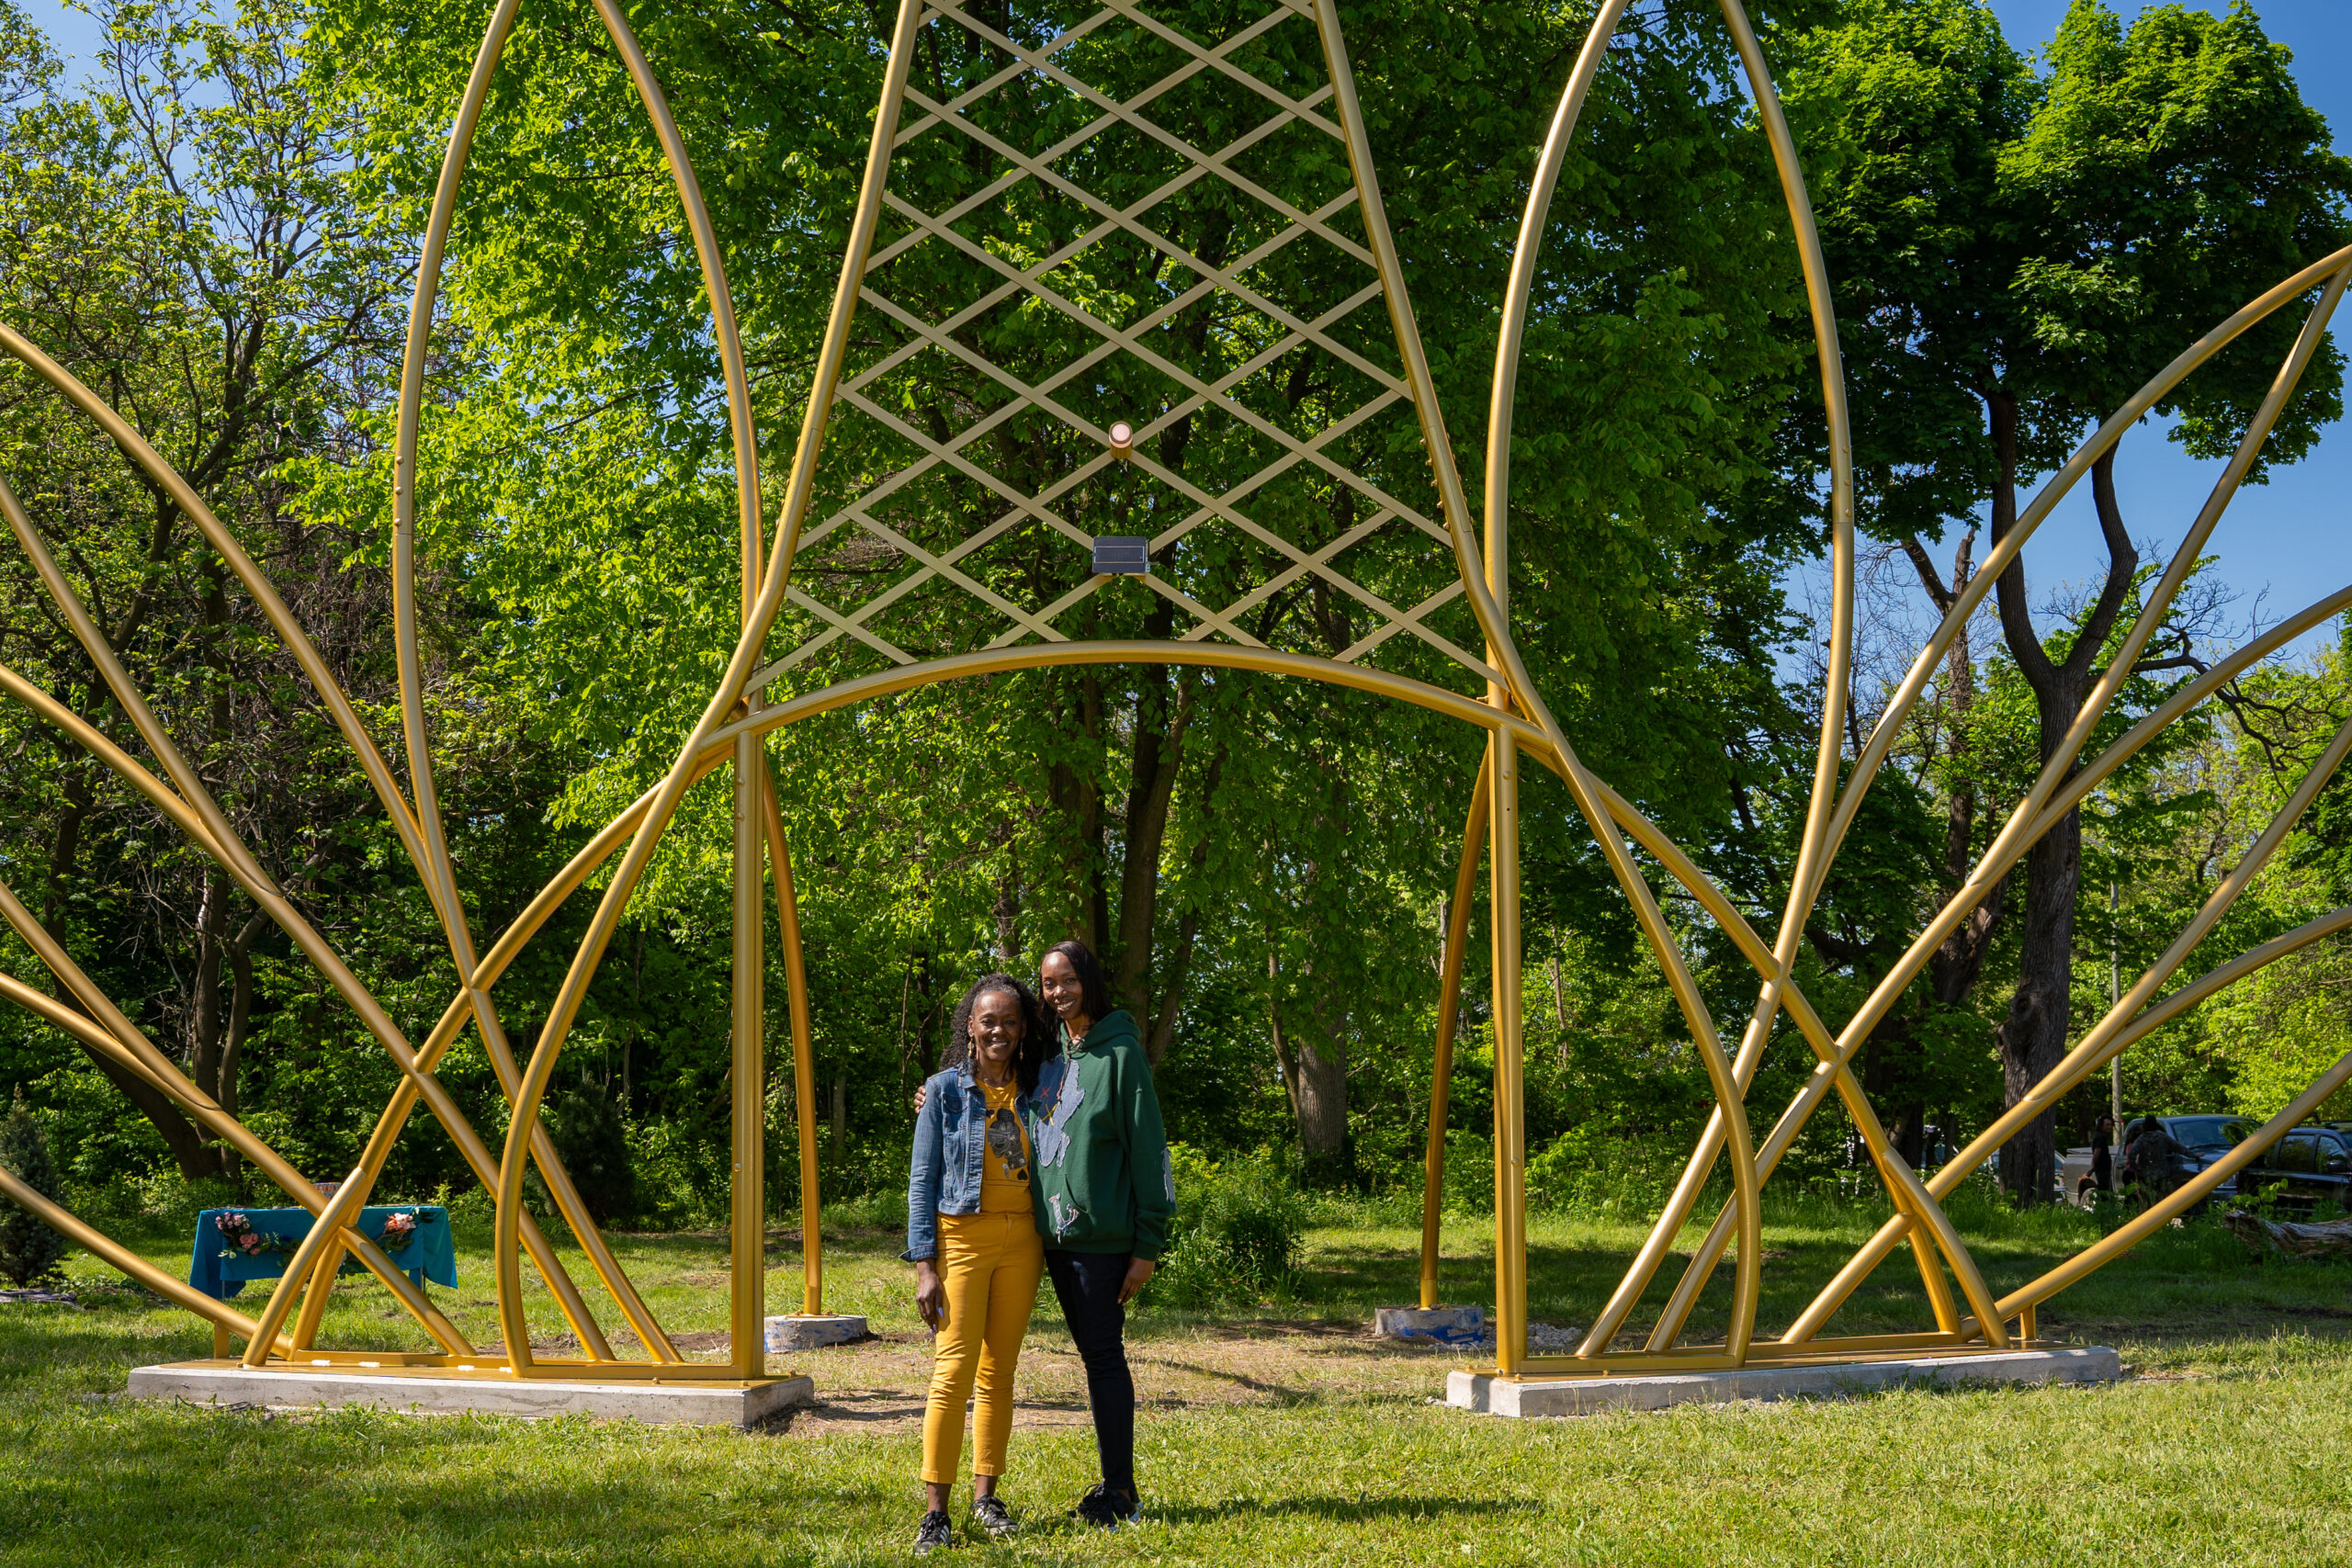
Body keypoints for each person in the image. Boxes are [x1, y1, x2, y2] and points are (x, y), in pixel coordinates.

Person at [903, 974, 1054, 1555]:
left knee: (1000, 1373)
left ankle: (987, 1499)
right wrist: (925, 1265)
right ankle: (936, 1514)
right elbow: (922, 1180)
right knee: (953, 1371)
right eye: (988, 1020)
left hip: (1024, 1243)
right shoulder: (942, 1091)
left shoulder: (1039, 1085)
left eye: (1010, 1021)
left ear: (1022, 1031)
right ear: (970, 1025)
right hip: (962, 1238)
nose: (999, 1030)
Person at [1030, 939, 1173, 1529]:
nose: (1057, 993)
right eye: (1047, 984)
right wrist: (932, 1093)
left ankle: (1122, 1492)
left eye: (1066, 980)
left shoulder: (1121, 1056)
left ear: (1088, 979)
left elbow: (1148, 1151)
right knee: (1094, 1357)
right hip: (1051, 1242)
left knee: (1103, 1359)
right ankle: (1115, 1485)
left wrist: (1148, 1246)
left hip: (1103, 1244)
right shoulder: (1050, 1056)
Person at [2090, 1112, 2116, 1196]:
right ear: (2101, 1125)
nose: (2109, 1127)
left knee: (2105, 1193)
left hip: (2103, 1171)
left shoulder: (2099, 1136)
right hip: (2103, 1171)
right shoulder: (2101, 1137)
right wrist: (2093, 1167)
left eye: (2111, 1125)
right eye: (2107, 1124)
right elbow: (2096, 1153)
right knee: (2105, 1194)